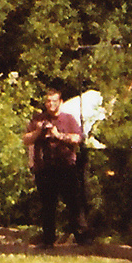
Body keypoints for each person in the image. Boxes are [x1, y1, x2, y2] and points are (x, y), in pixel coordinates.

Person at [24, 87, 85, 248]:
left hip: (65, 167)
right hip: (45, 168)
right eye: (47, 101)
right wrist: (39, 131)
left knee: (73, 203)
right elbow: (26, 139)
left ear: (61, 102)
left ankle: (82, 237)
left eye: (53, 101)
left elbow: (78, 138)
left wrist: (59, 135)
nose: (50, 104)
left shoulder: (68, 119)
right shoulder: (38, 119)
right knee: (48, 206)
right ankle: (48, 240)